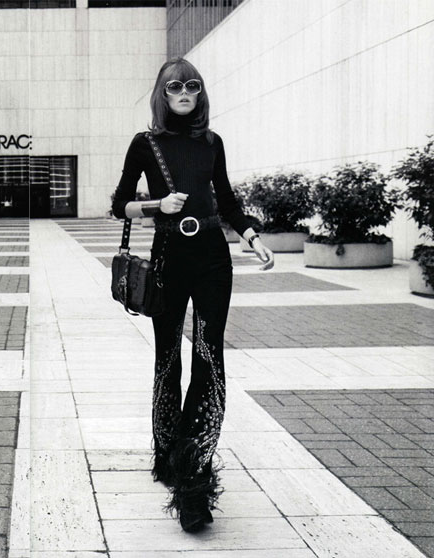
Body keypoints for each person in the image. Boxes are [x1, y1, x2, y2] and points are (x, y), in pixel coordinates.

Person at [111, 58, 274, 533]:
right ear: (161, 94)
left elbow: (227, 199)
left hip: (212, 258)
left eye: (193, 86)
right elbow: (119, 204)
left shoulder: (212, 142)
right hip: (168, 258)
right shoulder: (145, 144)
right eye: (175, 86)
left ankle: (195, 479)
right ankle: (168, 455)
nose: (184, 92)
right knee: (168, 359)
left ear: (201, 94)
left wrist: (251, 236)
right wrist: (155, 205)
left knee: (208, 357)